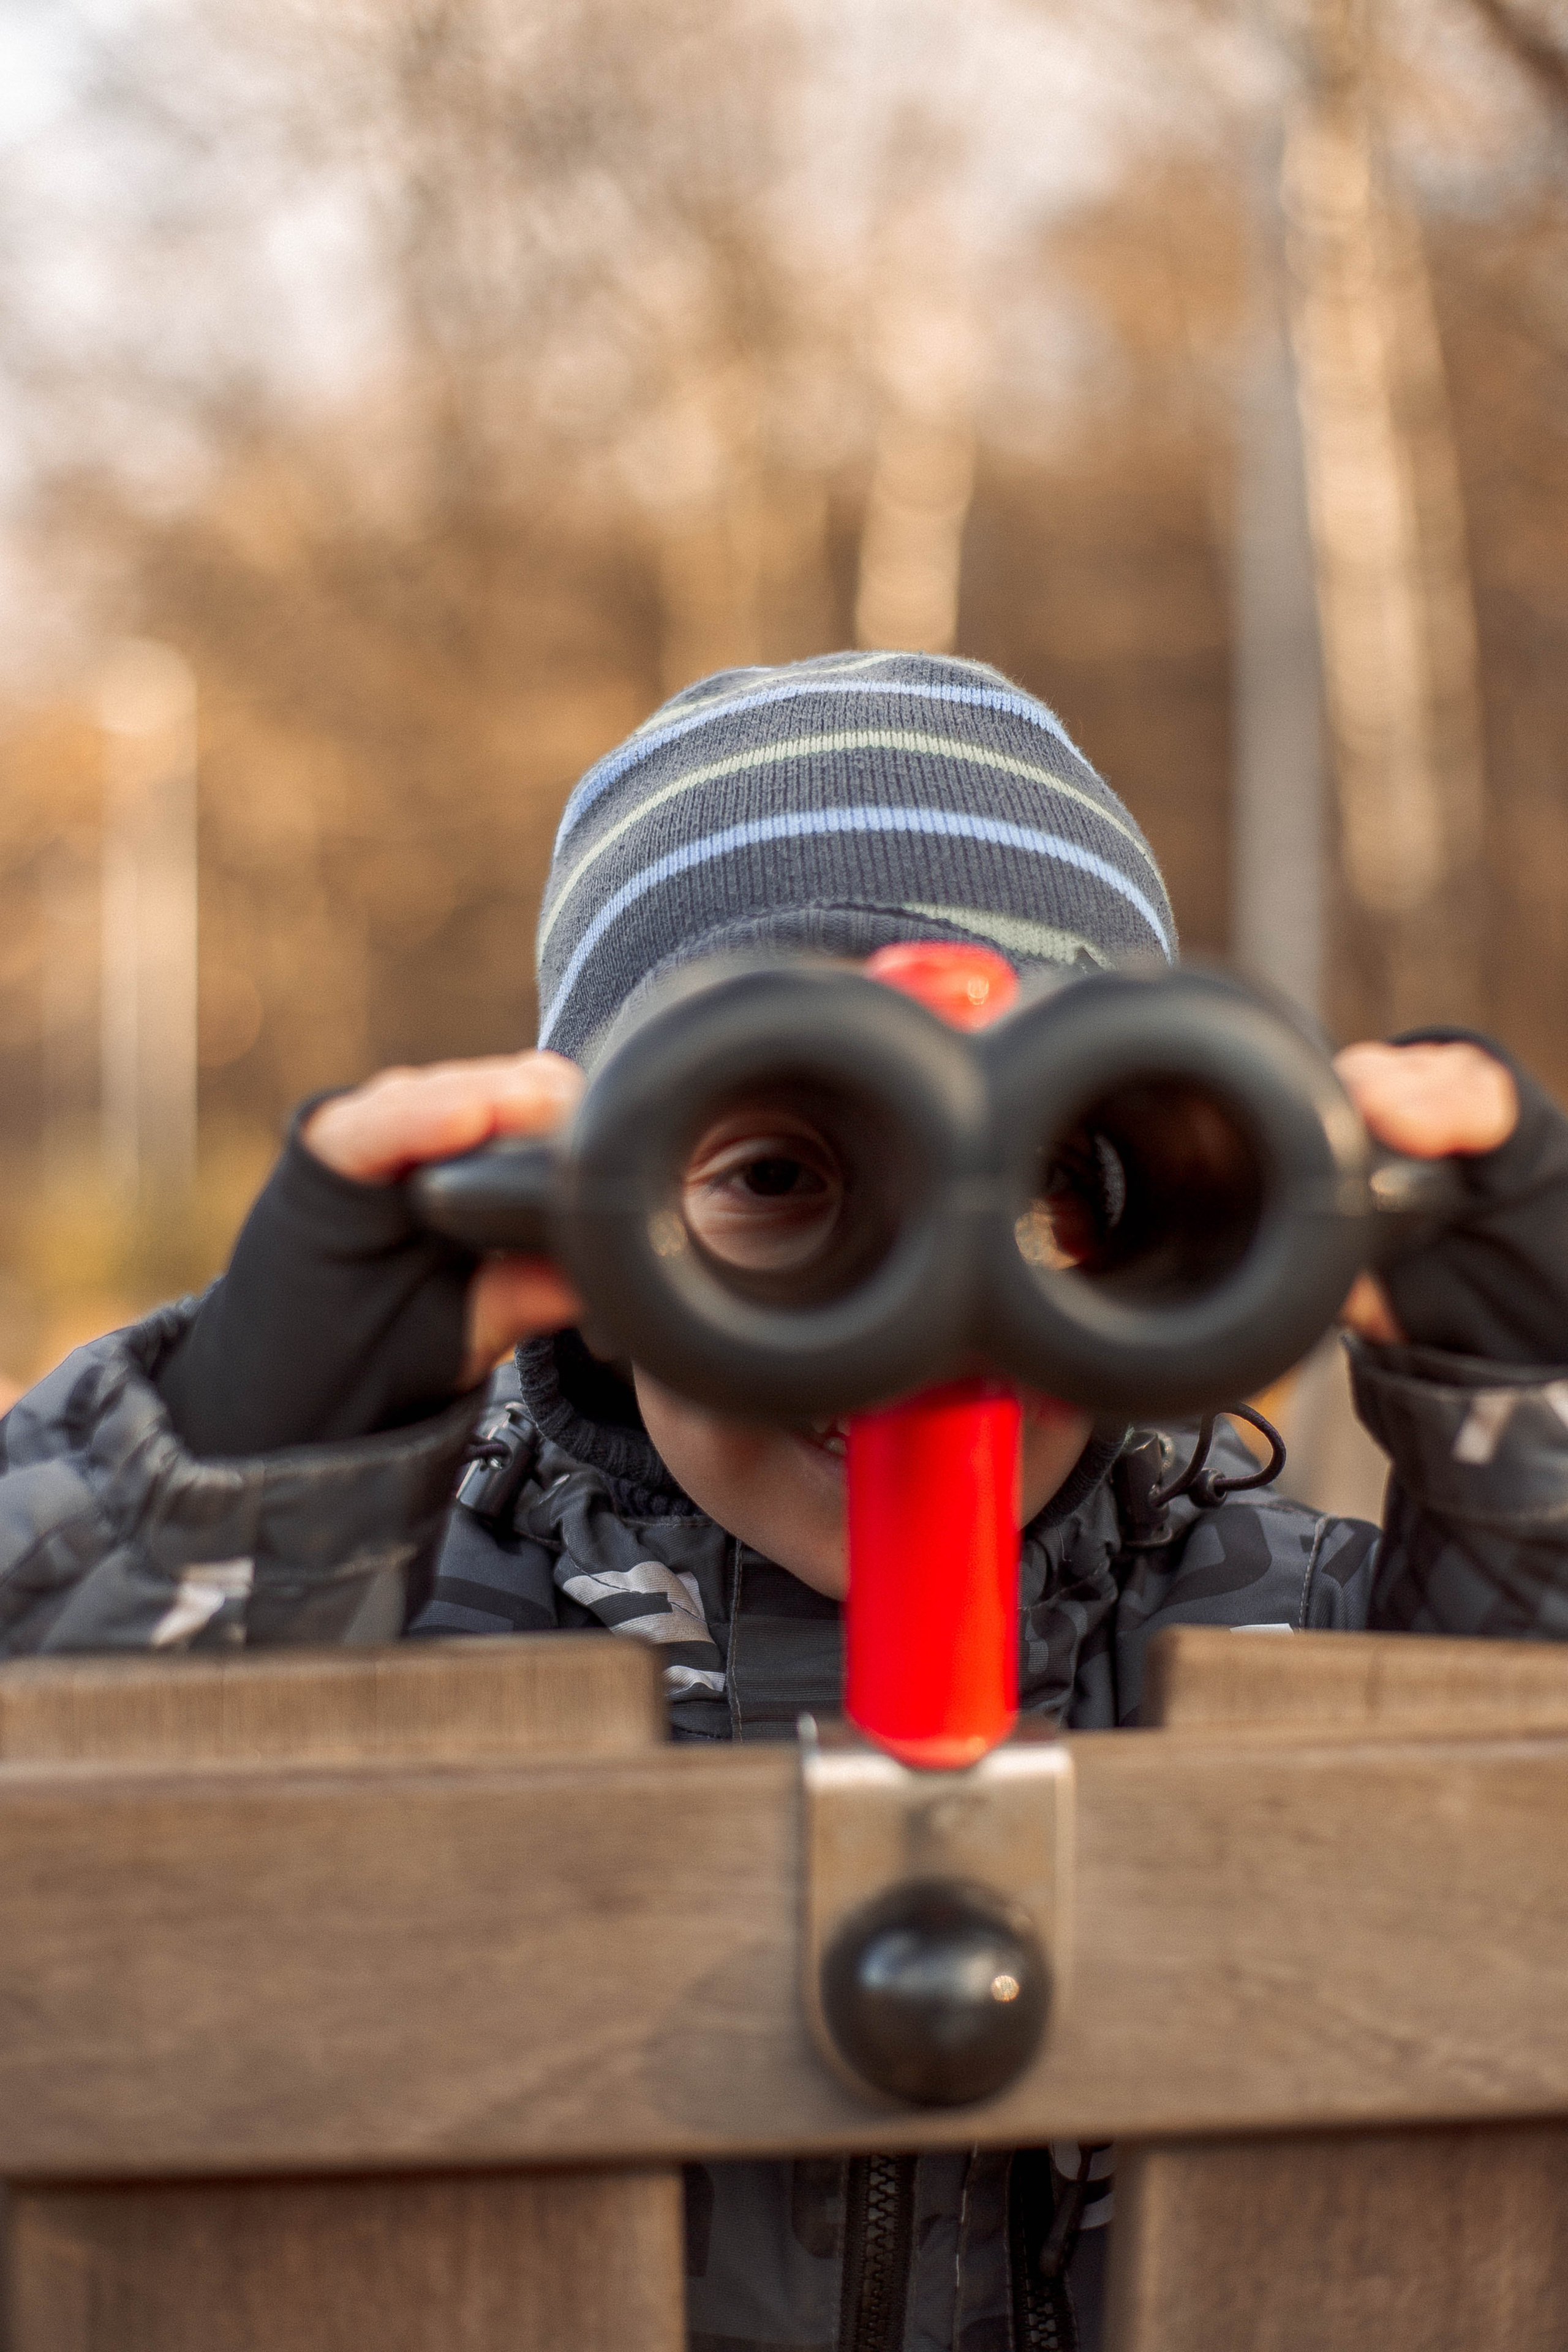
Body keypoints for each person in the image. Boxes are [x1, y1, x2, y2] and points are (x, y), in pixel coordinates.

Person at [3, 648, 1567, 2352]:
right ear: (583, 1234)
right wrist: (228, 1480)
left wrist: (1538, 1458)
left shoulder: (1329, 1644)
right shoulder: (373, 1663)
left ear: (1182, 1205)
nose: (919, 1307)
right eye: (774, 1175)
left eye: (1048, 1180)